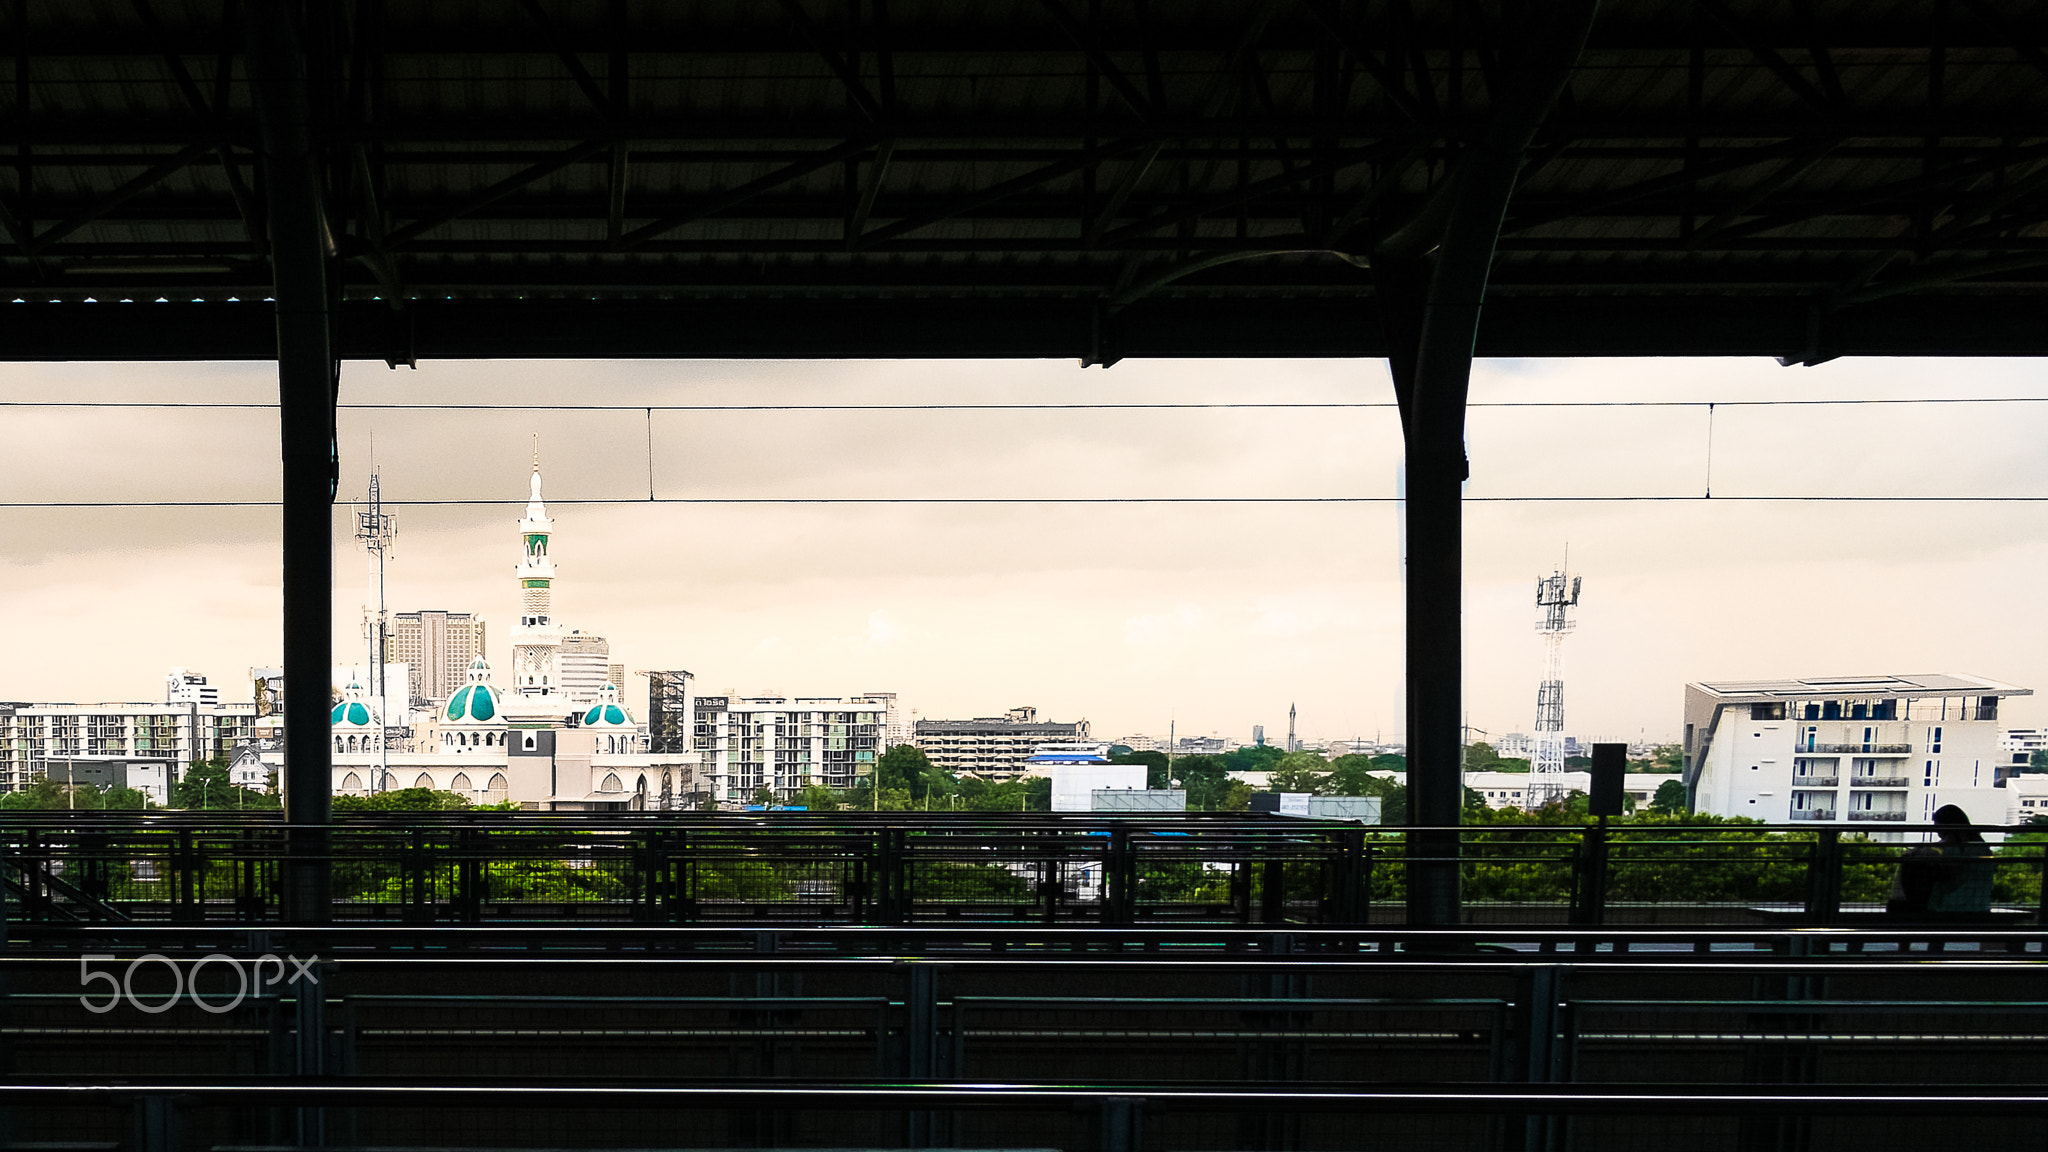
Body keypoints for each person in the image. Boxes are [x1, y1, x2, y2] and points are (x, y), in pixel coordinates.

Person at [1887, 804, 1993, 918]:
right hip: (1980, 906)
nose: (1937, 832)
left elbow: (1952, 879)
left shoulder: (1954, 848)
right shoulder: (1983, 848)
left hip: (1950, 907)